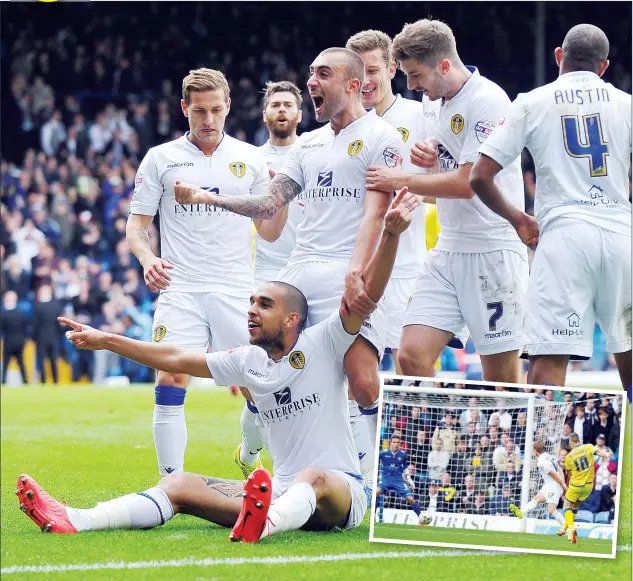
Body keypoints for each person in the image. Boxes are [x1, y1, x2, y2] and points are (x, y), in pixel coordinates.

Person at [17, 187, 416, 542]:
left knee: (312, 477)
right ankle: (75, 518)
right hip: (278, 494)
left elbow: (368, 294)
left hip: (342, 494)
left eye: (264, 304)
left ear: (293, 319)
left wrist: (392, 234)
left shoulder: (325, 340)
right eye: (250, 302)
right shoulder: (247, 360)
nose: (251, 311)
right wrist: (107, 340)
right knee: (180, 483)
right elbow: (175, 357)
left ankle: (262, 522)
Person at [173, 48, 407, 493]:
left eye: (323, 74)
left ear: (353, 84)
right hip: (299, 276)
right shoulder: (309, 145)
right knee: (269, 371)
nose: (312, 82)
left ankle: (376, 481)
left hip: (348, 268)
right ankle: (264, 460)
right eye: (311, 74)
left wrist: (356, 273)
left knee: (360, 380)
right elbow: (269, 204)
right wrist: (211, 197)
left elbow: (374, 216)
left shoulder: (382, 137)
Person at [469, 24, 632, 397]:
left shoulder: (532, 101)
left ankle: (544, 454)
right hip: (622, 236)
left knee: (547, 363)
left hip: (563, 238)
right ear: (604, 67)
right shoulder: (626, 104)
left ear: (559, 56)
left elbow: (479, 177)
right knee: (629, 355)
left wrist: (519, 221)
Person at [366, 18, 528, 383]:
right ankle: (450, 433)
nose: (411, 86)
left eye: (415, 75)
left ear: (443, 65)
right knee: (410, 356)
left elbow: (469, 183)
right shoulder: (437, 102)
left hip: (492, 252)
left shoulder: (488, 100)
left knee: (501, 380)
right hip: (448, 249)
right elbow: (450, 173)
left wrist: (400, 179)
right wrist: (432, 163)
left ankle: (503, 440)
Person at [125, 68, 268, 477]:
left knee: (262, 383)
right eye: (199, 111)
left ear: (228, 108)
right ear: (184, 108)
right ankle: (171, 484)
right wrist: (149, 260)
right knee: (170, 376)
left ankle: (251, 453)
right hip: (181, 286)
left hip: (236, 286)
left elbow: (271, 227)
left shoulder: (250, 158)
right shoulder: (161, 158)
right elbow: (137, 226)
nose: (208, 120)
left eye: (217, 110)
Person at [345, 29, 440, 373]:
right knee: (354, 375)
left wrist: (409, 186)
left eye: (372, 70)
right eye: (357, 72)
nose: (364, 80)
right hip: (353, 268)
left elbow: (449, 187)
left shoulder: (421, 117)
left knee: (411, 367)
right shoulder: (343, 127)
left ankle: (428, 429)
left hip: (405, 269)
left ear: (391, 69)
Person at [236, 80, 304, 477]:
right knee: (263, 377)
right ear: (265, 115)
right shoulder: (252, 161)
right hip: (261, 273)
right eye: (275, 105)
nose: (281, 111)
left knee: (301, 371)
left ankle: (282, 460)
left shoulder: (314, 153)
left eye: (288, 105)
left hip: (305, 272)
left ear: (299, 114)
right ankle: (250, 447)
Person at [560, 432, 612, 543]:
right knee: (575, 507)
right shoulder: (588, 447)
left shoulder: (569, 457)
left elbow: (569, 473)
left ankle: (571, 529)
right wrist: (607, 455)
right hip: (588, 486)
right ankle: (565, 529)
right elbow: (599, 452)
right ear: (579, 440)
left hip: (575, 485)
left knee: (566, 506)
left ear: (570, 442)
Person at [509, 441, 567, 529]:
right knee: (536, 499)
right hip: (549, 485)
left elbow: (554, 475)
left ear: (535, 451)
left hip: (554, 486)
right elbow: (559, 468)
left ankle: (570, 529)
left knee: (551, 510)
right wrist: (562, 482)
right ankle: (521, 512)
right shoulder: (550, 456)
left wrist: (563, 485)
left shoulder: (541, 462)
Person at [375, 435, 423, 520]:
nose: (396, 444)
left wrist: (410, 480)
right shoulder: (382, 453)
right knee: (375, 493)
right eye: (394, 442)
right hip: (386, 479)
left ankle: (421, 518)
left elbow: (405, 467)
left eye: (398, 442)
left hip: (398, 480)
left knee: (410, 499)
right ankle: (373, 517)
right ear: (390, 443)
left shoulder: (403, 454)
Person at [32, 284, 63, 384]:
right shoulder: (57, 306)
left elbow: (35, 324)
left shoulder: (38, 306)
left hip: (41, 337)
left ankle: (43, 381)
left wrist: (33, 337)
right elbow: (59, 324)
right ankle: (55, 381)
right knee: (53, 360)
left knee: (41, 360)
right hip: (53, 336)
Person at [1, 291, 29, 385]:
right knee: (21, 363)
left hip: (8, 342)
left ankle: (4, 382)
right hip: (20, 342)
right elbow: (25, 328)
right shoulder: (21, 313)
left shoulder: (4, 315)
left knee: (6, 364)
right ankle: (25, 382)